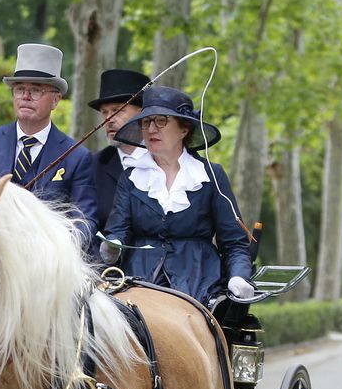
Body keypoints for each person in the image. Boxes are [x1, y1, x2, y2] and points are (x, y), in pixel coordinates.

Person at [100, 85, 256, 303]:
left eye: (161, 121)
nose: (151, 129)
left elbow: (234, 242)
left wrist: (239, 276)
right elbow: (118, 231)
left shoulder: (210, 175)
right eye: (146, 122)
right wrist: (111, 247)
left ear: (184, 129)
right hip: (139, 282)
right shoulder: (131, 177)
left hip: (199, 282)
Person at [0, 43, 99, 249]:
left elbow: (85, 222)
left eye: (35, 90)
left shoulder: (77, 157)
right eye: (20, 89)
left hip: (44, 263)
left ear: (55, 100)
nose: (25, 97)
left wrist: (55, 253)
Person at [87, 67, 151, 219]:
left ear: (143, 113)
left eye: (117, 110)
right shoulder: (92, 166)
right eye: (104, 112)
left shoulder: (167, 160)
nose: (109, 119)